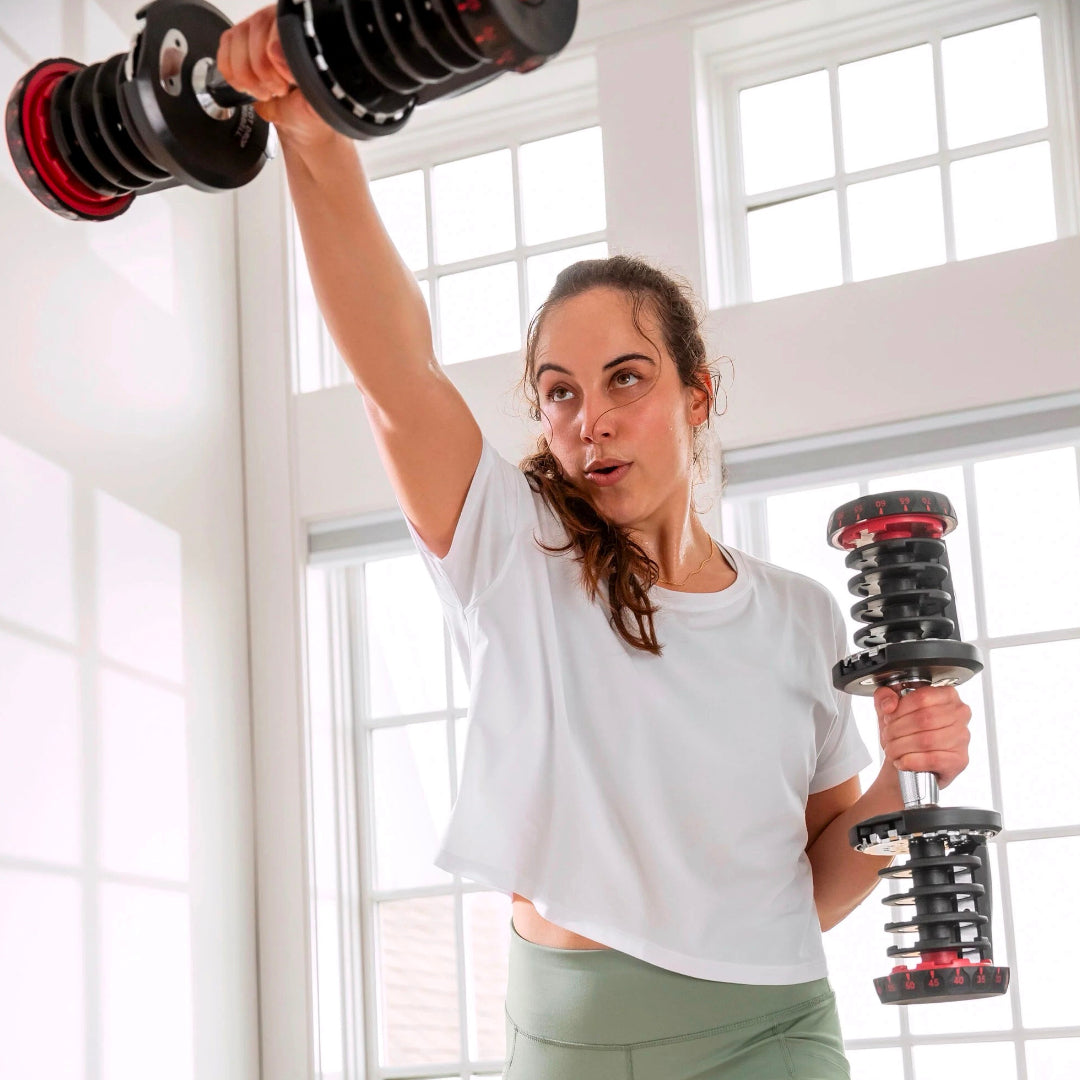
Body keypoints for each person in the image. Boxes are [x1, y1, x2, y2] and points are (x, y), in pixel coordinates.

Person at [219, 10, 974, 1078]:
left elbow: (814, 882)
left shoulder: (800, 613)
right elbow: (398, 377)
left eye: (626, 378)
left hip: (773, 1027)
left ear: (696, 394)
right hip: (573, 1040)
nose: (592, 421)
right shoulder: (513, 550)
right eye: (560, 393)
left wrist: (903, 776)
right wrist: (316, 144)